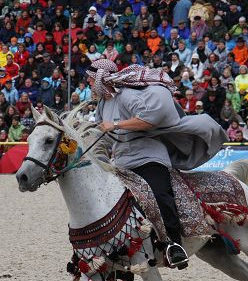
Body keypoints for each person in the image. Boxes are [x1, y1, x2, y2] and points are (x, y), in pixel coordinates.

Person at [89, 58, 226, 269]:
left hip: (148, 156)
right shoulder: (102, 104)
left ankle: (174, 245)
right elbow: (104, 136)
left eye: (90, 80)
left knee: (159, 194)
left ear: (100, 79)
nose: (89, 84)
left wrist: (115, 124)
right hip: (122, 161)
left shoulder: (127, 95)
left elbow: (149, 120)